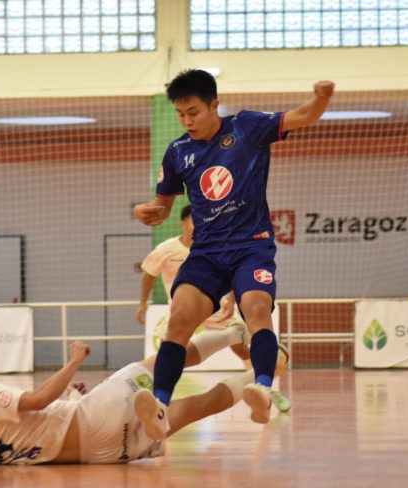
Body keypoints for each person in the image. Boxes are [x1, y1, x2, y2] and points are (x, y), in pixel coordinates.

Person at [133, 69, 333, 437]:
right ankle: (160, 404)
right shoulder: (178, 152)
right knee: (179, 320)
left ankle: (262, 389)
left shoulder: (246, 128)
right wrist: (147, 212)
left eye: (193, 111)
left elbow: (301, 116)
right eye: (180, 114)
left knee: (256, 309)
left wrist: (321, 98)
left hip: (250, 246)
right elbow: (161, 206)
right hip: (207, 254)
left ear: (214, 104)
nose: (186, 120)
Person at [0, 338, 287, 466]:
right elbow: (37, 401)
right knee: (155, 364)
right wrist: (74, 360)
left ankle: (252, 380)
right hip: (89, 419)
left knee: (190, 409)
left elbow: (38, 432)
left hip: (107, 453)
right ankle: (241, 342)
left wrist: (70, 396)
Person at [136, 203, 291, 412]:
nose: (200, 222)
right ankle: (149, 395)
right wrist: (143, 303)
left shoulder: (220, 245)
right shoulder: (167, 248)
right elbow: (149, 273)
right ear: (184, 223)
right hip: (186, 311)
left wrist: (232, 299)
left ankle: (265, 388)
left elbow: (240, 272)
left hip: (218, 309)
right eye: (194, 219)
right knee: (168, 352)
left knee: (241, 347)